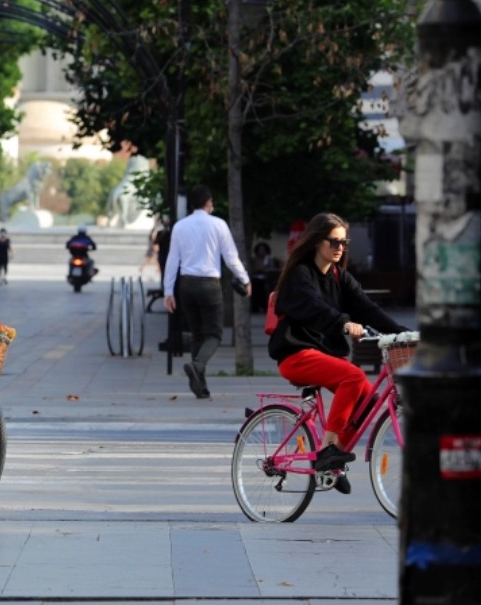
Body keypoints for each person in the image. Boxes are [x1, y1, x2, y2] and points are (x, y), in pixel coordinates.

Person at [268, 212, 408, 494]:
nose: (340, 248)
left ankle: (331, 462)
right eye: (334, 242)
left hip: (325, 356)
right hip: (296, 354)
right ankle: (328, 448)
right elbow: (314, 307)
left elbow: (368, 309)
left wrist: (402, 333)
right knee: (353, 376)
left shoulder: (339, 277)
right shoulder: (300, 275)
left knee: (368, 401)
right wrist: (343, 323)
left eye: (344, 242)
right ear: (317, 241)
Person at [163, 185, 251, 399]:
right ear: (208, 202)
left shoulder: (180, 226)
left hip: (186, 285)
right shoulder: (218, 225)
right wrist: (245, 279)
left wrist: (168, 291)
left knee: (197, 334)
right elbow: (231, 258)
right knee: (214, 334)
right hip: (210, 284)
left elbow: (172, 260)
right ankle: (198, 365)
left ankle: (200, 385)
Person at [250, 242, 274, 313]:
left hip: (266, 278)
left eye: (263, 250)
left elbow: (271, 269)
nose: (261, 252)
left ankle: (264, 306)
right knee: (255, 285)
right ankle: (255, 306)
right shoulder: (255, 260)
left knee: (262, 287)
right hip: (255, 278)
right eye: (260, 250)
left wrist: (263, 270)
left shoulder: (268, 259)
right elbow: (252, 269)